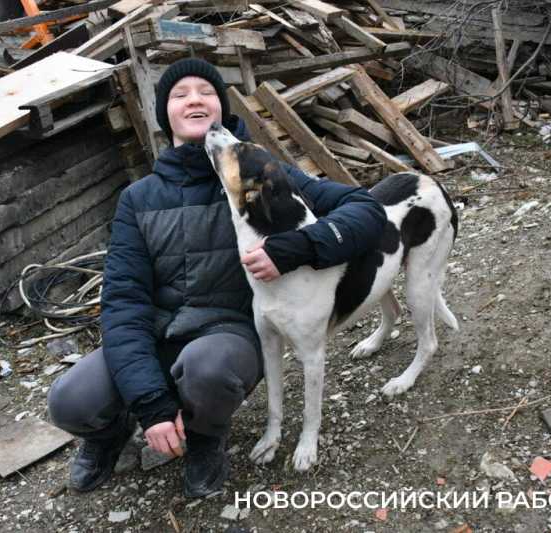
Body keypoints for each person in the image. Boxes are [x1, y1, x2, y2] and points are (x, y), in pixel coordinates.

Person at [47, 58, 387, 497]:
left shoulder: (260, 176)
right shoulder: (138, 198)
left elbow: (366, 210)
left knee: (208, 371)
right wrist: (150, 403)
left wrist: (295, 247)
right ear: (162, 114)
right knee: (71, 400)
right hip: (159, 334)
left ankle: (206, 438)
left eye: (206, 91)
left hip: (227, 335)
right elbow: (123, 303)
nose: (194, 99)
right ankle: (109, 434)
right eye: (179, 93)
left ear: (222, 109)